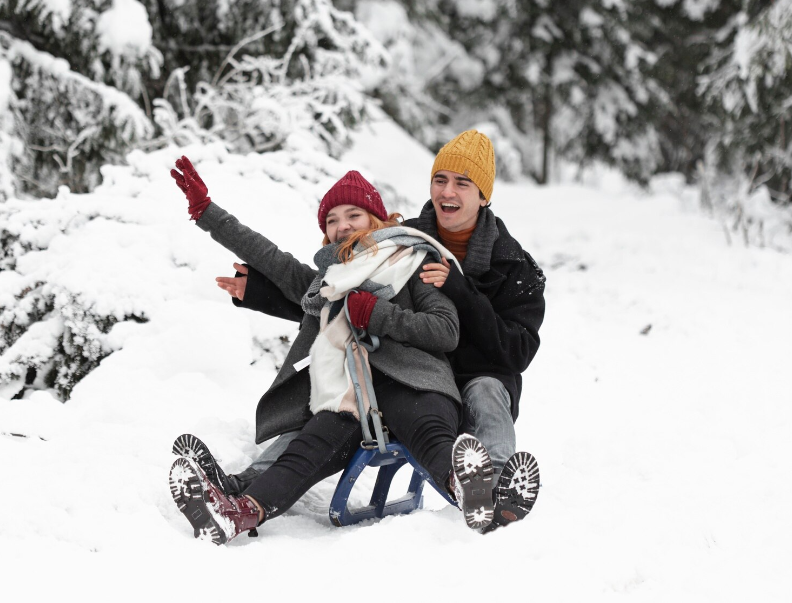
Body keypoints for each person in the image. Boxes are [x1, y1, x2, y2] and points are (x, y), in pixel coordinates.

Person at [211, 130, 546, 531]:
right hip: (391, 371)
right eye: (440, 179)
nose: (448, 191)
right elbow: (343, 298)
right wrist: (262, 293)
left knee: (487, 390)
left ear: (484, 195)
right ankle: (243, 492)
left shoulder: (514, 267)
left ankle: (493, 489)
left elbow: (516, 351)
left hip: (462, 377)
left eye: (462, 182)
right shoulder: (406, 241)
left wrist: (461, 290)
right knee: (326, 418)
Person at [168, 160, 497, 544]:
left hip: (416, 382)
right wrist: (207, 212)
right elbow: (267, 256)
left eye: (353, 215)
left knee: (429, 432)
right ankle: (238, 512)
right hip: (353, 396)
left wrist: (378, 314)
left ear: (377, 219)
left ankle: (471, 491)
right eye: (332, 221)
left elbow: (445, 330)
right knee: (310, 446)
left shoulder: (412, 260)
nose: (342, 227)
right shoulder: (327, 283)